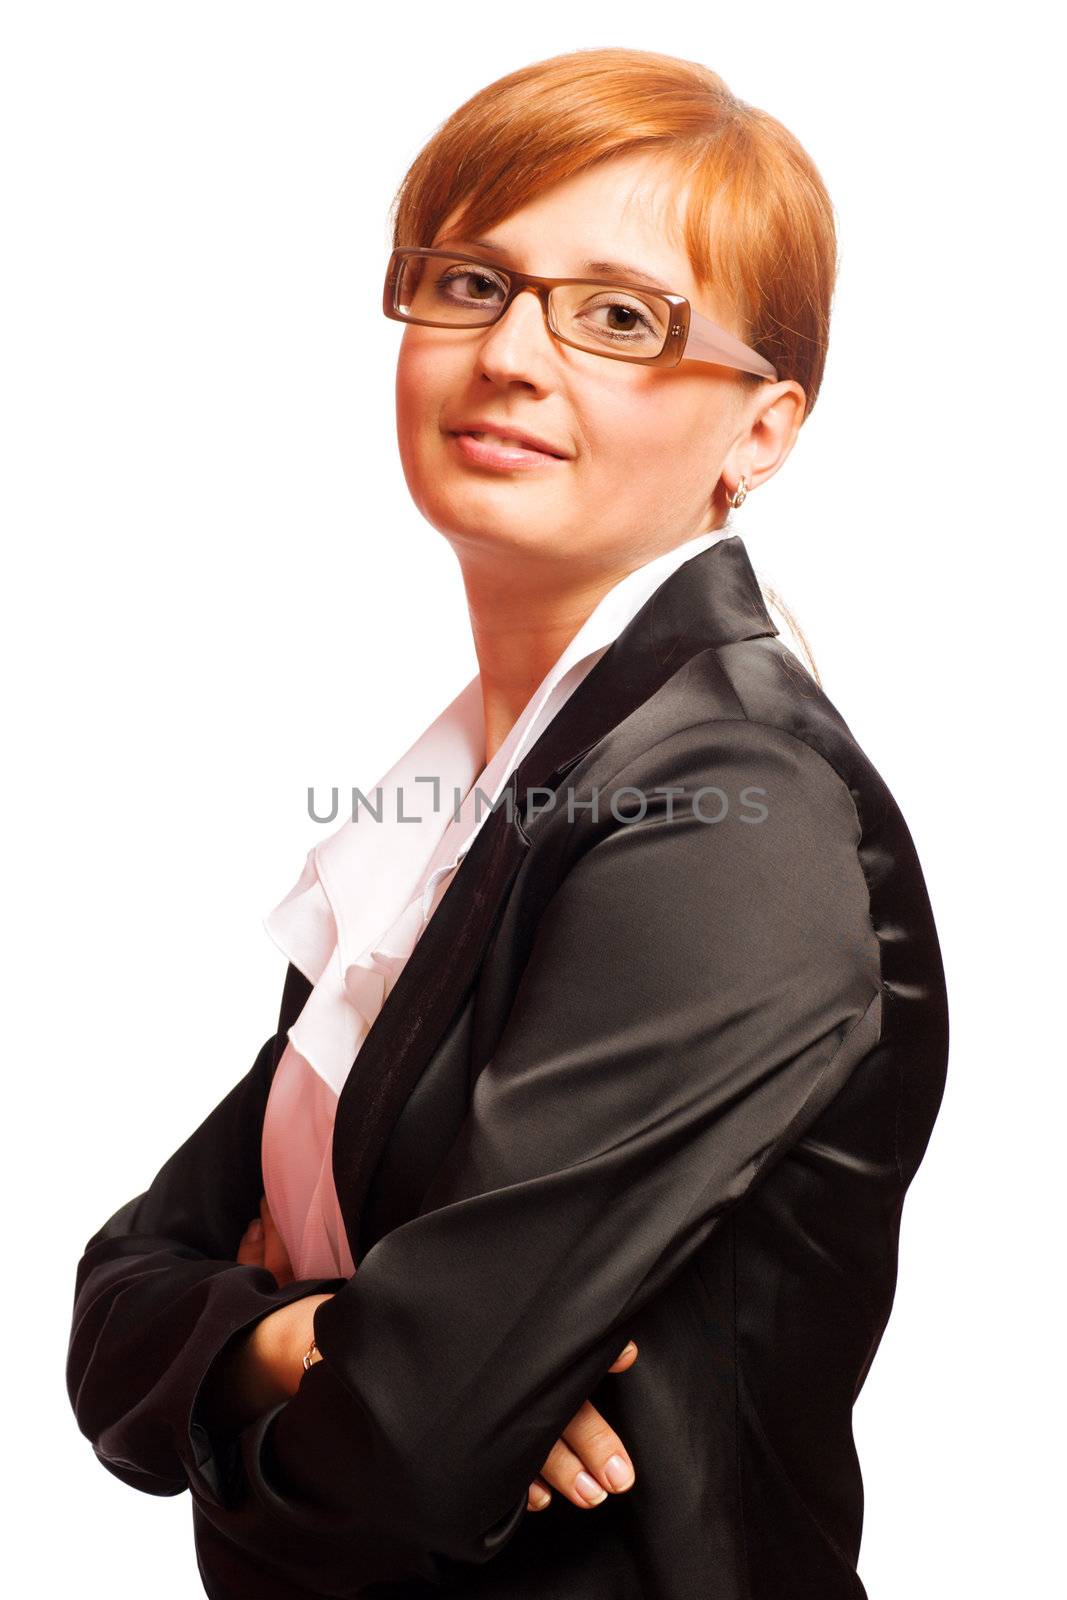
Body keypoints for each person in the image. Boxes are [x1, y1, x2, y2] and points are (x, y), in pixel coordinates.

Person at [66, 46, 949, 1600]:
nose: (513, 354)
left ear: (765, 429)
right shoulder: (463, 800)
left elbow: (406, 1447)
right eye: (472, 281)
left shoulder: (723, 815)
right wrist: (299, 1338)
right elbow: (119, 1294)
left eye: (621, 316)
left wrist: (344, 1361)